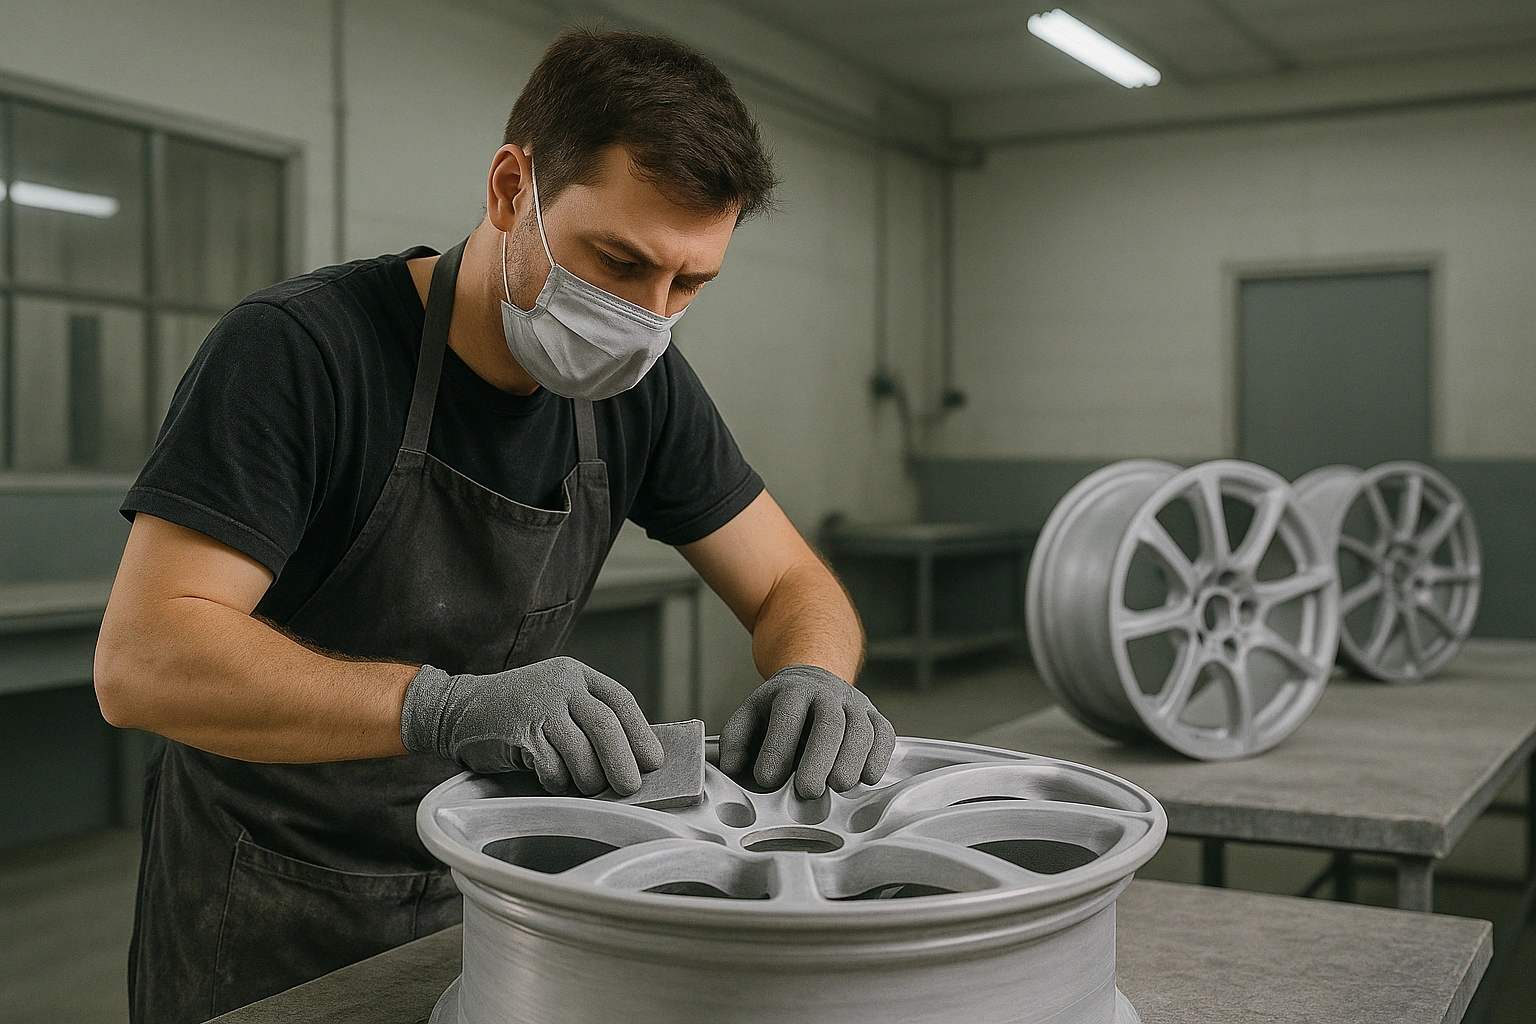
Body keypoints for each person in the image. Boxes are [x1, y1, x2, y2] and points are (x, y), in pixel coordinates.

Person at [93, 28, 895, 1024]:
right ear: (512, 190)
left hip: (489, 882)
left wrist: (816, 672)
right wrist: (441, 708)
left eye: (688, 286)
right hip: (268, 905)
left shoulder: (644, 391)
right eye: (619, 260)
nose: (647, 319)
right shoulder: (302, 353)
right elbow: (144, 661)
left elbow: (789, 584)